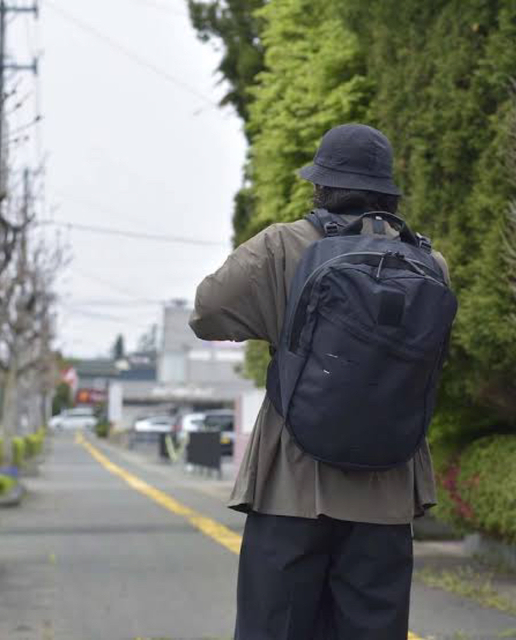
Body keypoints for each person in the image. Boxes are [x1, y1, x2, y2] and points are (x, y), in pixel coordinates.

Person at [189, 123, 451, 640]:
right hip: (389, 488)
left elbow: (206, 312)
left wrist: (280, 321)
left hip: (291, 483)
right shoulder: (429, 263)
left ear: (320, 186)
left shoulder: (285, 247)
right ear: (386, 191)